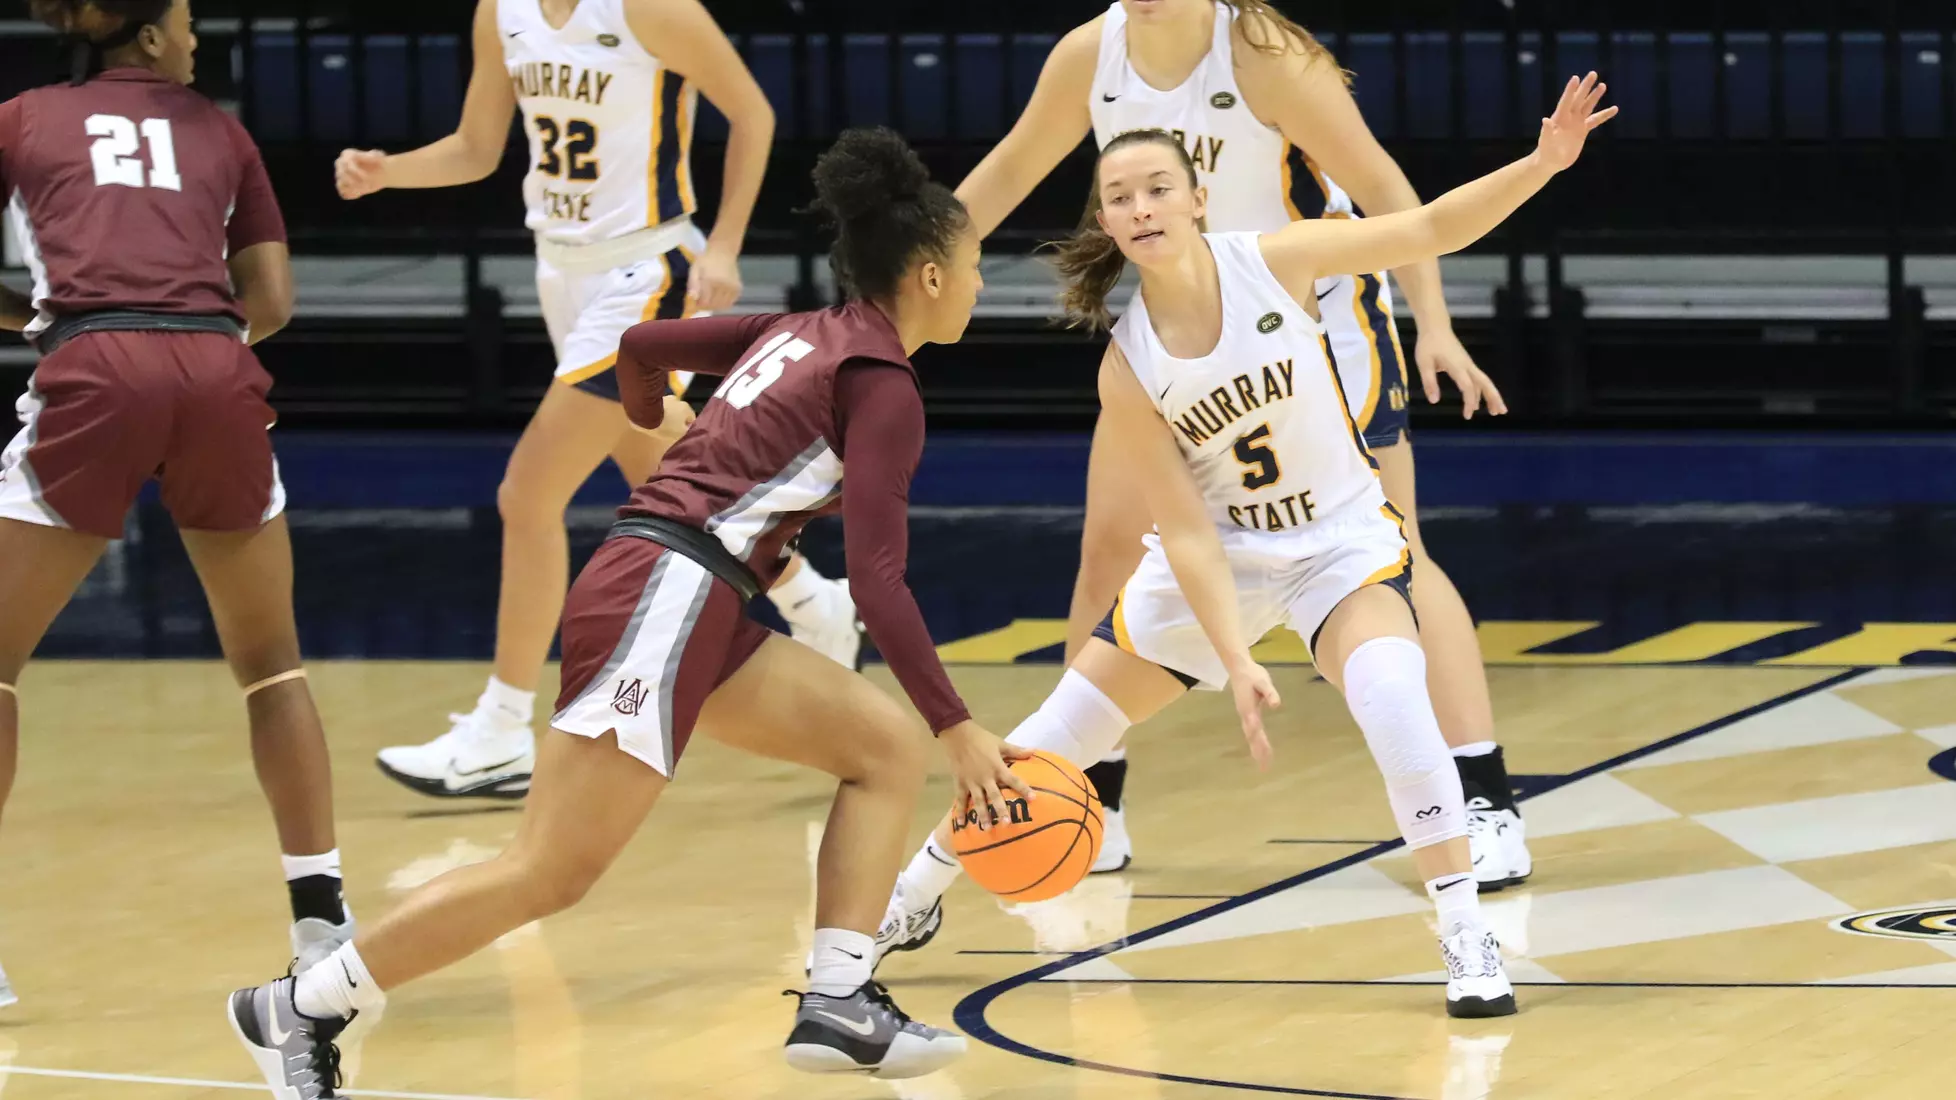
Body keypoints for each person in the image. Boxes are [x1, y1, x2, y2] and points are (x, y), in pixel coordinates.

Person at [229, 127, 1034, 1092]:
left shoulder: (793, 333)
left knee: (880, 749)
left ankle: (838, 997)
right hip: (668, 592)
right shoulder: (884, 386)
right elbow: (879, 580)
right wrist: (961, 723)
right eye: (978, 265)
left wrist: (653, 417)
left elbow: (641, 345)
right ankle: (300, 1005)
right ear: (932, 277)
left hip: (690, 594)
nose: (985, 285)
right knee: (551, 870)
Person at [875, 77, 1616, 1018]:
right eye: (1119, 196)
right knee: (1045, 746)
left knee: (1394, 697)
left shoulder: (1280, 258)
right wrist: (1233, 656)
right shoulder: (1128, 364)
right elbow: (1182, 528)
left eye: (1155, 188)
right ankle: (909, 898)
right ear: (1105, 221)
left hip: (1337, 545)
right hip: (1222, 555)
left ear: (1196, 199)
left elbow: (1427, 228)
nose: (1139, 207)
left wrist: (1542, 163)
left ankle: (1466, 935)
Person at [951, 0, 1529, 886]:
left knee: (1397, 550)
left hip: (1310, 321)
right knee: (1109, 548)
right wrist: (903, 279)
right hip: (1182, 342)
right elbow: (1001, 176)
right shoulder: (1089, 54)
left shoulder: (1262, 54)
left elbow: (1383, 187)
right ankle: (1090, 799)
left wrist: (1435, 323)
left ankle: (1481, 792)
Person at [334, 0, 864, 802]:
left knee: (528, 495)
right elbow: (478, 149)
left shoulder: (651, 8)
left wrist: (722, 246)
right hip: (564, 274)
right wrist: (389, 169)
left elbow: (752, 112)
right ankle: (812, 600)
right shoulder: (501, 12)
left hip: (648, 272)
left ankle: (502, 730)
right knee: (671, 478)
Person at [0, 0, 355, 999]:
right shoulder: (224, 130)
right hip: (213, 361)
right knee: (270, 666)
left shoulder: (22, 117)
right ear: (151, 35)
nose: (199, 40)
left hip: (96, 357)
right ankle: (323, 921)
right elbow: (273, 303)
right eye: (189, 23)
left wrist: (42, 315)